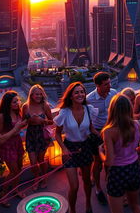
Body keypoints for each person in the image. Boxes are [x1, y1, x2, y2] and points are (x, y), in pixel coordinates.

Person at [101, 93, 140, 213]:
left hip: (117, 172)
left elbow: (109, 161)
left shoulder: (108, 131)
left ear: (112, 109)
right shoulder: (136, 125)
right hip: (134, 169)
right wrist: (135, 151)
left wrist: (100, 152)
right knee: (135, 205)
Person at [54, 82, 99, 213]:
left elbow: (92, 129)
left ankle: (88, 204)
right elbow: (57, 134)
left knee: (86, 180)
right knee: (74, 186)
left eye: (82, 92)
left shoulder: (89, 109)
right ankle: (72, 210)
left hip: (85, 148)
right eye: (77, 92)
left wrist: (106, 135)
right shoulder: (64, 112)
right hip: (70, 149)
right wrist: (63, 149)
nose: (80, 94)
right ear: (71, 96)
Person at [86, 71, 117, 205]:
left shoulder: (114, 94)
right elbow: (88, 119)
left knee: (111, 160)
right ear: (98, 86)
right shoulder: (89, 99)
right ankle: (98, 188)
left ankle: (110, 183)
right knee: (98, 162)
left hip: (111, 130)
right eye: (105, 84)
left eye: (109, 83)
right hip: (97, 132)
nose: (109, 86)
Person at [0, 91, 25, 205]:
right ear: (7, 103)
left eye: (18, 101)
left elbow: (20, 127)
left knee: (20, 168)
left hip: (17, 143)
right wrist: (15, 129)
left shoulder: (17, 112)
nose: (17, 103)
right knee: (14, 171)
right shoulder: (2, 117)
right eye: (14, 102)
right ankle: (3, 194)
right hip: (7, 145)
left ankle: (16, 189)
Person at [22, 84, 53, 189]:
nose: (39, 96)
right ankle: (36, 178)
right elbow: (23, 123)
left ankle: (43, 178)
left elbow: (51, 121)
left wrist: (42, 121)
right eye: (36, 94)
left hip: (42, 135)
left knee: (41, 159)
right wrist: (29, 120)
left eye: (40, 94)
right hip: (31, 135)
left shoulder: (45, 105)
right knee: (33, 162)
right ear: (31, 95)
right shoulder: (25, 106)